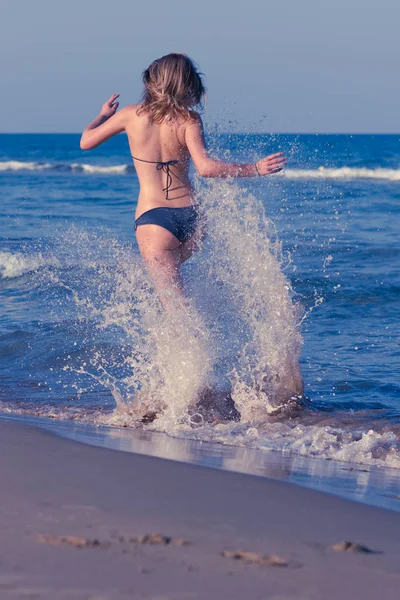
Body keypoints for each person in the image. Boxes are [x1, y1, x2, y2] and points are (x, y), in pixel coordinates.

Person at [80, 53, 286, 306]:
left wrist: (102, 115)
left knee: (173, 306)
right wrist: (253, 168)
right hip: (194, 220)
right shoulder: (189, 120)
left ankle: (184, 343)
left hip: (155, 221)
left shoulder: (130, 115)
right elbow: (206, 168)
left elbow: (85, 142)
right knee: (175, 291)